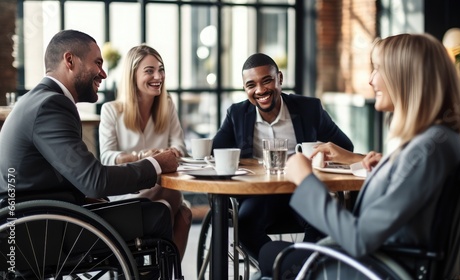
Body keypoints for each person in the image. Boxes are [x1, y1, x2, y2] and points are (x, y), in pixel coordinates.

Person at [256, 33, 460, 279]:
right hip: (391, 263)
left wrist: (305, 180)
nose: (371, 80)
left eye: (378, 69)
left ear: (406, 77)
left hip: (378, 269)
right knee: (271, 254)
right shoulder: (440, 141)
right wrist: (374, 168)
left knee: (270, 256)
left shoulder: (425, 151)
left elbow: (358, 239)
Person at [0, 30, 179, 257]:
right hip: (39, 231)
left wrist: (82, 195)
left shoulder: (34, 99)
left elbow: (47, 174)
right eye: (97, 63)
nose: (103, 73)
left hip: (27, 223)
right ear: (70, 60)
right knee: (159, 212)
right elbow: (95, 180)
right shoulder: (51, 105)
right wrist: (156, 165)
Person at [212, 53, 354, 259]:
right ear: (245, 88)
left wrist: (318, 154)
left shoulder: (309, 109)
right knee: (243, 226)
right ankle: (282, 268)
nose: (260, 90)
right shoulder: (237, 114)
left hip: (302, 189)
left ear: (280, 78)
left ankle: (300, 270)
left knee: (321, 224)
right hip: (260, 195)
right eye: (251, 85)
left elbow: (344, 147)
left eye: (267, 80)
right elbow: (215, 154)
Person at [99, 44, 192, 259]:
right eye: (149, 71)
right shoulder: (111, 110)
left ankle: (163, 272)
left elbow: (180, 148)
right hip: (127, 190)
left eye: (161, 69)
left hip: (163, 188)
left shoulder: (167, 105)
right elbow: (107, 157)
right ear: (132, 76)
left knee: (180, 209)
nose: (158, 76)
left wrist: (167, 153)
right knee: (177, 208)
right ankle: (158, 270)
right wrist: (142, 157)